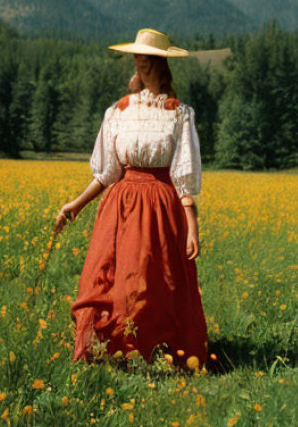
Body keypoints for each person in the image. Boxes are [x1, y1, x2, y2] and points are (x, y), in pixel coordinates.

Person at [55, 29, 207, 367]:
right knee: (115, 281)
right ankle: (116, 350)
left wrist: (192, 226)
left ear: (158, 61)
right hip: (120, 207)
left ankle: (157, 351)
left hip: (161, 208)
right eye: (135, 55)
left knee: (153, 283)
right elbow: (107, 172)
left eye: (145, 55)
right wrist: (76, 204)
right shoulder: (119, 111)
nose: (138, 60)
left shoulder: (179, 113)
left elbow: (184, 175)